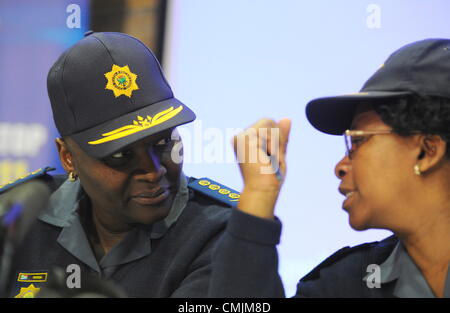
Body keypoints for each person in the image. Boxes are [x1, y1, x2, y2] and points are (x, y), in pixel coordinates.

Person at [0, 31, 286, 298]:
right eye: (120, 155)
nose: (153, 171)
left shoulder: (222, 234)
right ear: (68, 157)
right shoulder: (19, 220)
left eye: (163, 143)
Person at [225, 38, 450, 297]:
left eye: (357, 140)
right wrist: (258, 195)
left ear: (427, 151)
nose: (339, 167)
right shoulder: (344, 285)